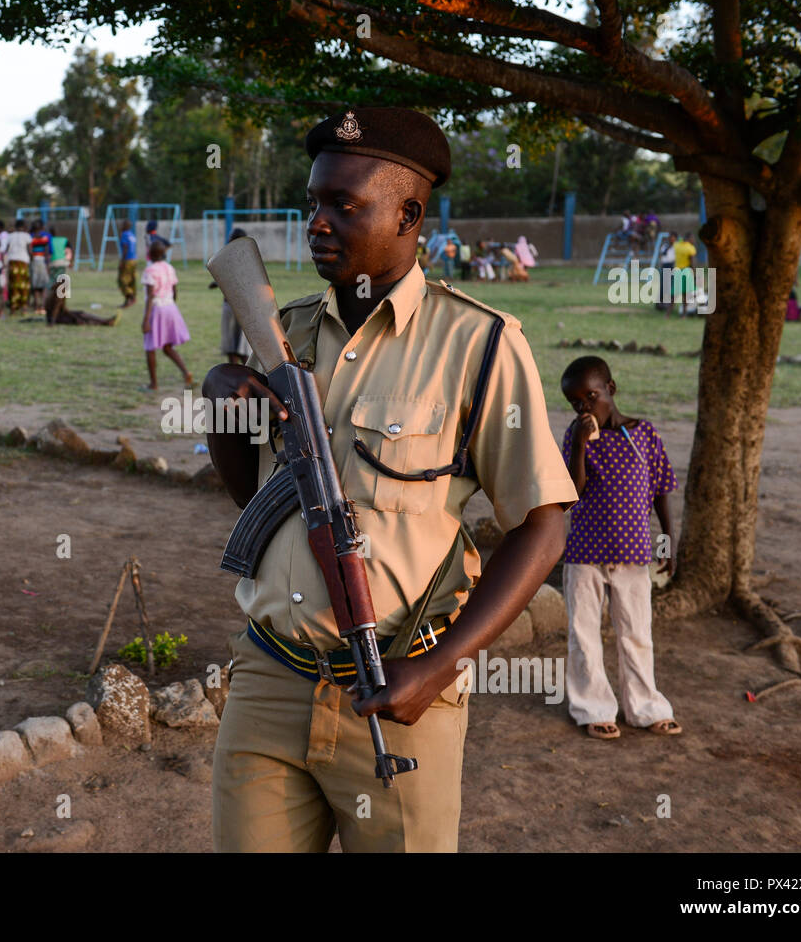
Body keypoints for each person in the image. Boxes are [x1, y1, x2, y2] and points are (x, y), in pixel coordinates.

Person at [203, 106, 576, 852]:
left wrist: (441, 666)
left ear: (408, 214)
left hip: (400, 690)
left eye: (345, 206)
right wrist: (223, 409)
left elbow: (544, 524)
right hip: (269, 681)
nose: (318, 223)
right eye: (314, 203)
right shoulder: (286, 332)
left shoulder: (478, 344)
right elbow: (257, 500)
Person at [559, 355, 681, 740]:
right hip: (584, 554)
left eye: (590, 397)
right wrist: (579, 444)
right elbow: (572, 492)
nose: (583, 407)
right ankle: (592, 708)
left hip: (633, 555)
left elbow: (661, 489)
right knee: (584, 634)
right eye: (575, 402)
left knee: (636, 632)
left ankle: (646, 707)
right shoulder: (575, 436)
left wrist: (667, 539)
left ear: (610, 390)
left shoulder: (643, 433)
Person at [139, 240, 193, 390]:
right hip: (171, 307)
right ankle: (186, 373)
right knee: (168, 347)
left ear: (149, 254)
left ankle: (153, 384)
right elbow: (175, 290)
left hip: (157, 309)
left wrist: (146, 320)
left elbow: (150, 296)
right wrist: (171, 304)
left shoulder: (149, 271)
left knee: (150, 347)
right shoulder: (169, 268)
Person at [214, 227, 250, 364]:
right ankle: (243, 375)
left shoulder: (231, 258)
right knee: (238, 347)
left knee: (235, 347)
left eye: (230, 238)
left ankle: (240, 376)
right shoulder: (248, 258)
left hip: (234, 307)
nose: (228, 241)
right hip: (243, 308)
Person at [5, 220, 32, 314]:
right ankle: (24, 307)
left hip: (12, 261)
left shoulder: (10, 236)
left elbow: (6, 250)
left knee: (13, 284)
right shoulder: (27, 236)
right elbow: (29, 250)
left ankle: (13, 307)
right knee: (24, 284)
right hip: (23, 262)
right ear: (24, 226)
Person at [671, 232, 698, 313]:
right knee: (685, 295)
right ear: (689, 239)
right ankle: (684, 314)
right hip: (686, 271)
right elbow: (692, 263)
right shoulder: (690, 248)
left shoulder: (677, 245)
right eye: (693, 238)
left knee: (674, 295)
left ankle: (668, 314)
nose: (694, 240)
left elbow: (677, 241)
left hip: (677, 271)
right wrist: (695, 275)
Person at [29, 219, 51, 314]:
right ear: (41, 228)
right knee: (44, 285)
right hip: (42, 262)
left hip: (33, 262)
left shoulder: (30, 238)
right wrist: (48, 265)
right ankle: (43, 306)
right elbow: (46, 253)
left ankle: (36, 306)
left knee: (35, 286)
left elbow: (30, 251)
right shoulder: (45, 238)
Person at [117, 219, 139, 308]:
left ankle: (131, 297)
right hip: (134, 260)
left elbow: (125, 249)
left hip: (128, 260)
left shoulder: (125, 235)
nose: (121, 226)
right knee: (131, 281)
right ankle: (128, 300)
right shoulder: (132, 235)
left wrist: (122, 262)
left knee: (122, 280)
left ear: (126, 226)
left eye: (122, 224)